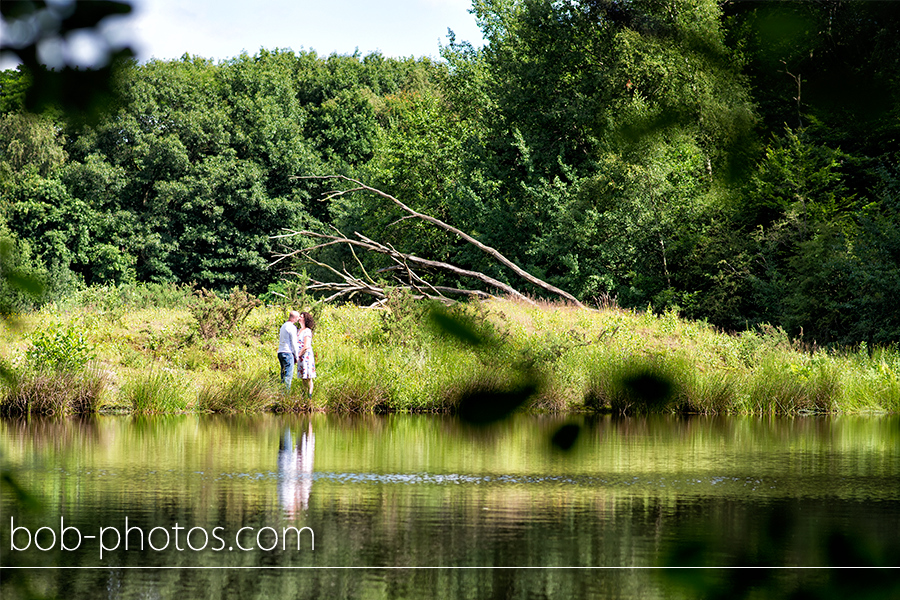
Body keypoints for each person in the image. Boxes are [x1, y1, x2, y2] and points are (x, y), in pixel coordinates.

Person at [277, 311, 301, 390]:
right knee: (288, 376)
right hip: (288, 353)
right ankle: (285, 396)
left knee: (283, 375)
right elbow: (294, 342)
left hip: (281, 352)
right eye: (297, 318)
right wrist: (296, 355)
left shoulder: (283, 326)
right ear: (294, 318)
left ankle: (281, 393)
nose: (298, 319)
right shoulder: (292, 327)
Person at [297, 311, 316, 399]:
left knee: (308, 377)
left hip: (306, 356)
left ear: (305, 319)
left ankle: (310, 396)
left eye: (301, 317)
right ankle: (304, 395)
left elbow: (306, 346)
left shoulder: (307, 331)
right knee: (303, 377)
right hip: (300, 356)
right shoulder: (299, 330)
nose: (299, 318)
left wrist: (298, 355)